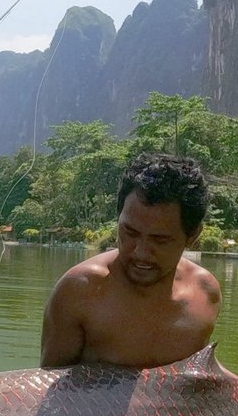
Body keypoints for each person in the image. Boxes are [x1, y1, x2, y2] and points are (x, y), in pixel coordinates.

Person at [40, 153, 220, 369]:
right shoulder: (80, 290)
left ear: (192, 236)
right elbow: (47, 385)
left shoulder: (205, 292)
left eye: (160, 240)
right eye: (130, 232)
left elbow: (201, 374)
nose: (141, 253)